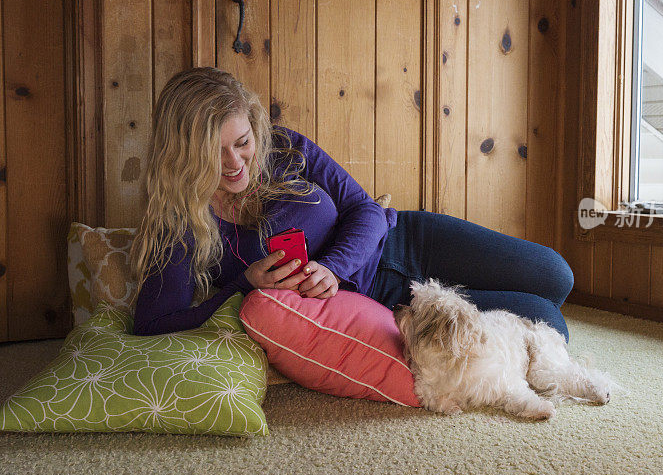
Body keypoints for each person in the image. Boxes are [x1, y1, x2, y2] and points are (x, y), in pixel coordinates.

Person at [131, 67, 574, 342]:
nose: (235, 163)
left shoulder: (283, 147)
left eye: (242, 142)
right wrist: (244, 285)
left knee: (556, 274)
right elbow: (153, 323)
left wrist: (334, 267)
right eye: (214, 152)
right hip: (384, 299)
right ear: (183, 153)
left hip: (406, 239)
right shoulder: (181, 223)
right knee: (550, 324)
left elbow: (364, 208)